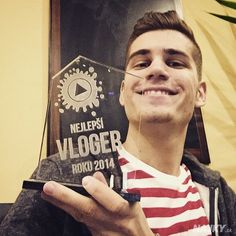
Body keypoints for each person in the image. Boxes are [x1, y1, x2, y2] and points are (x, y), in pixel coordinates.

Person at [1, 10, 235, 236]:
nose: (156, 69)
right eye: (142, 64)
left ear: (200, 94)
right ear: (123, 92)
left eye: (175, 62)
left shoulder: (219, 193)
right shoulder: (61, 176)